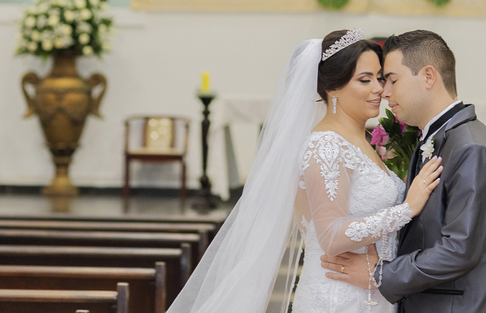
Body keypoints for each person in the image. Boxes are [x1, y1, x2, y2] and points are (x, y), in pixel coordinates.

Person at [166, 29, 443, 313]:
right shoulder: (326, 145)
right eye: (365, 79)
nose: (380, 90)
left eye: (381, 78)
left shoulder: (360, 141)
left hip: (370, 292)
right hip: (338, 297)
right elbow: (331, 236)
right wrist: (407, 208)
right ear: (332, 87)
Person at [320, 29, 486, 313]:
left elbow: (460, 250)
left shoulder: (471, 148)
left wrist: (381, 274)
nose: (384, 92)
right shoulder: (437, 138)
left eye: (392, 80)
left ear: (428, 76)